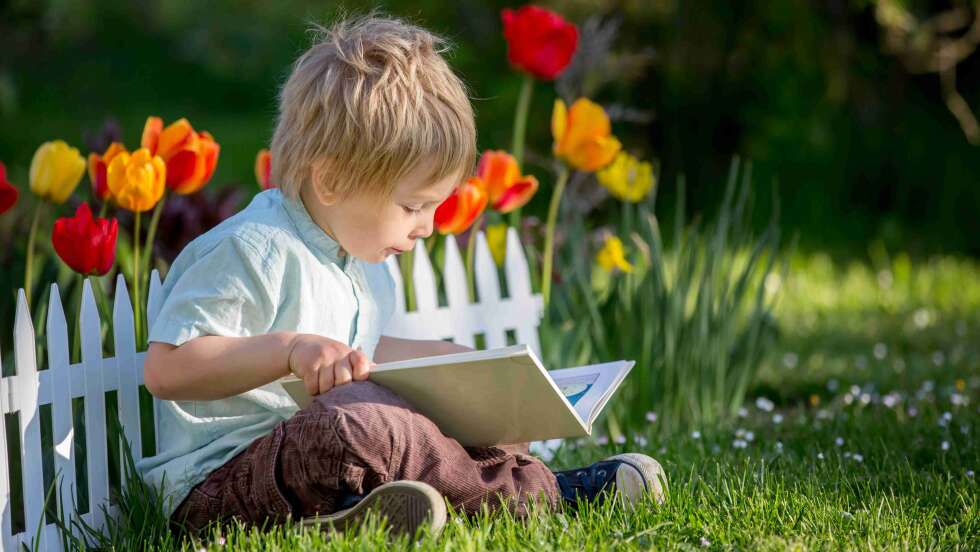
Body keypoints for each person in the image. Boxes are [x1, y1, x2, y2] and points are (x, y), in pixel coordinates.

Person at [137, 15, 667, 539]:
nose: (429, 228)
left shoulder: (360, 262)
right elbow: (166, 369)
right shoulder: (253, 249)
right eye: (414, 205)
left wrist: (460, 369)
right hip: (220, 485)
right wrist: (289, 348)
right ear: (332, 179)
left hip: (312, 469)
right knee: (362, 424)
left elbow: (363, 352)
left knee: (464, 413)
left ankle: (360, 515)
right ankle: (548, 497)